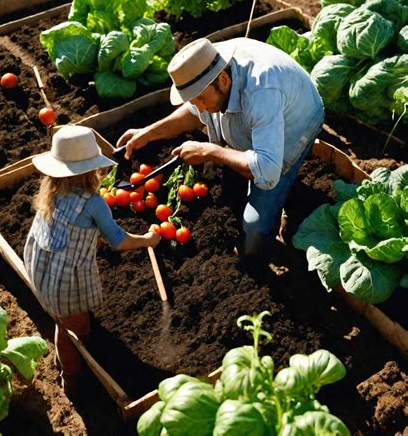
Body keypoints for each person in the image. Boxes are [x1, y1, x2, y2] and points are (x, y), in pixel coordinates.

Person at [117, 37, 324, 259]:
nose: (200, 107)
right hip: (260, 116)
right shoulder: (208, 70)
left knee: (254, 230)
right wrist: (148, 132)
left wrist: (210, 151)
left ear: (224, 80)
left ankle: (261, 252)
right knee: (231, 186)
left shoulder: (261, 92)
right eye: (194, 101)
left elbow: (267, 171)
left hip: (297, 123)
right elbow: (194, 111)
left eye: (201, 99)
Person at [23, 125, 160, 395]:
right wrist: (148, 239)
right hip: (64, 282)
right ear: (89, 168)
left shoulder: (52, 191)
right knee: (75, 333)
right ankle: (71, 379)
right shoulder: (94, 203)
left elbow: (67, 229)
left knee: (63, 318)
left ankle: (66, 350)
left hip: (39, 267)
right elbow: (119, 240)